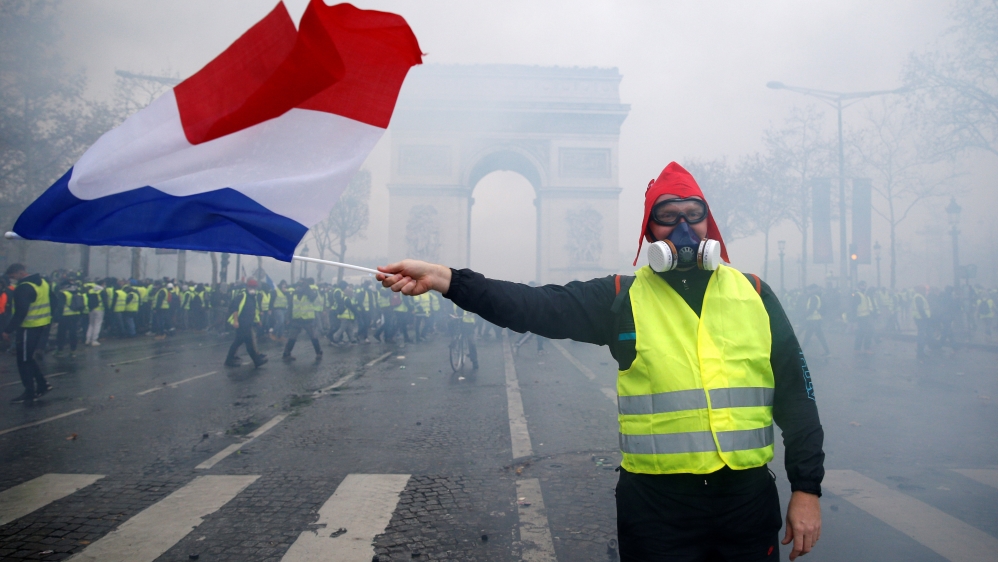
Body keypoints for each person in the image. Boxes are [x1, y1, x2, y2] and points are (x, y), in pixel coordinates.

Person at [377, 162, 824, 561]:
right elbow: (534, 305)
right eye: (668, 216)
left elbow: (797, 398)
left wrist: (806, 490)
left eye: (694, 213)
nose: (684, 227)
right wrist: (447, 279)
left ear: (711, 224)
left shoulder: (756, 293)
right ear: (649, 232)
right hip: (656, 507)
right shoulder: (621, 297)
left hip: (746, 501)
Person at [3, 263, 55, 405]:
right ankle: (42, 384)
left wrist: (8, 330)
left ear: (19, 273)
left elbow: (21, 312)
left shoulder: (24, 287)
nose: (12, 279)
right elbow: (53, 300)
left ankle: (29, 392)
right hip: (42, 324)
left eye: (12, 276)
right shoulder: (43, 283)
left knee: (24, 361)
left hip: (28, 327)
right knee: (28, 359)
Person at [224, 279, 268, 368]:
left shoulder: (253, 298)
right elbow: (235, 309)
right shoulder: (242, 296)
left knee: (238, 342)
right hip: (242, 323)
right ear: (247, 287)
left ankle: (229, 359)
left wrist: (258, 320)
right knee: (248, 342)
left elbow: (254, 311)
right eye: (251, 287)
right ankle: (256, 361)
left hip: (249, 323)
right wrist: (236, 321)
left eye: (254, 287)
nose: (253, 289)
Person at [283, 280, 323, 361]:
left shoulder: (309, 293)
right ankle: (286, 354)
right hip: (296, 319)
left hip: (308, 319)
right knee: (292, 337)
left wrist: (306, 287)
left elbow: (313, 297)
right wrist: (287, 318)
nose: (299, 287)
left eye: (301, 286)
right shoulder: (294, 294)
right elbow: (290, 307)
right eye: (299, 286)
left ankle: (319, 353)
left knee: (313, 337)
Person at [800, 285, 830, 357]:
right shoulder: (817, 297)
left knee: (807, 337)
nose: (808, 291)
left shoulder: (813, 298)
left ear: (812, 290)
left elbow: (811, 309)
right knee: (819, 336)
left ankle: (800, 352)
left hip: (813, 320)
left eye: (809, 290)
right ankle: (828, 352)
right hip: (816, 320)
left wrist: (804, 316)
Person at [851, 281, 875, 354]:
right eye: (863, 286)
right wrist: (854, 320)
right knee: (868, 332)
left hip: (865, 316)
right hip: (862, 317)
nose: (865, 287)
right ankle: (866, 348)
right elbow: (854, 307)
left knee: (861, 333)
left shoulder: (862, 294)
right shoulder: (857, 295)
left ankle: (857, 349)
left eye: (865, 286)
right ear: (859, 286)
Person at [911, 286, 932, 361]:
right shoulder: (919, 297)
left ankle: (920, 352)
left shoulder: (918, 296)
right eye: (924, 290)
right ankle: (920, 353)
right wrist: (925, 317)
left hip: (919, 318)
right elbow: (921, 308)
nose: (925, 291)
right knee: (921, 336)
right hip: (921, 319)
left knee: (921, 335)